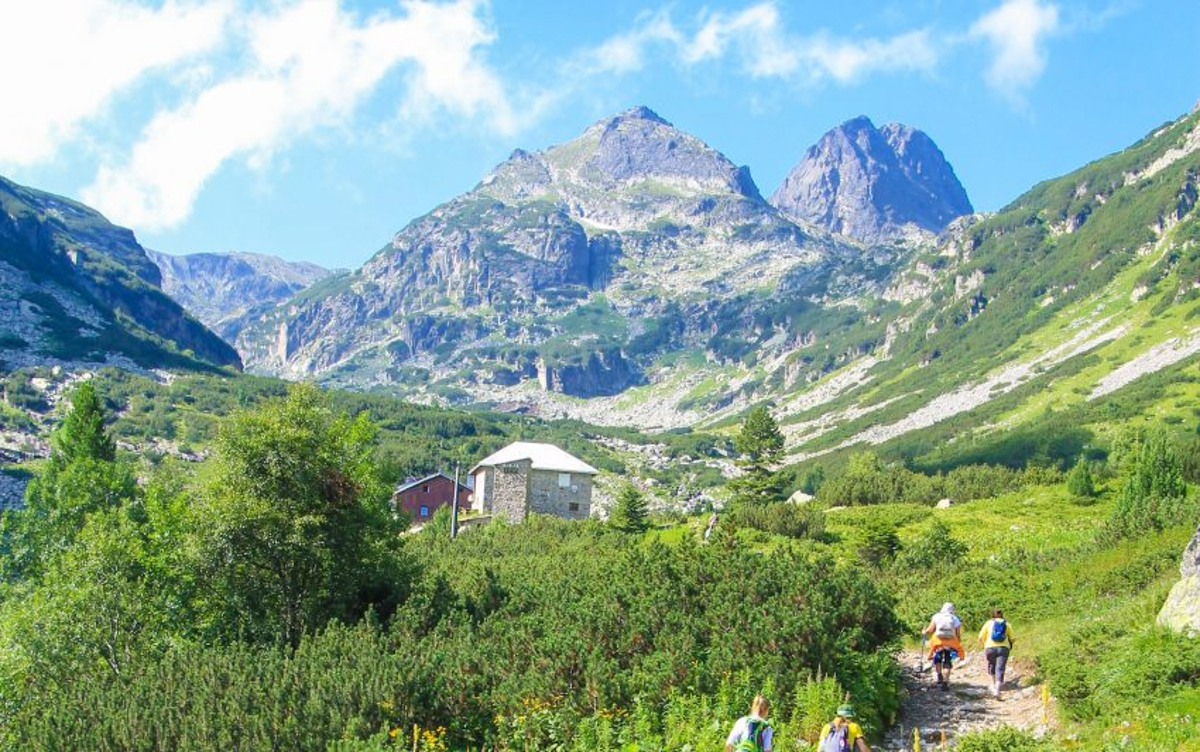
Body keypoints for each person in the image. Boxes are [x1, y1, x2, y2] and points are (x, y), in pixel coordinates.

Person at [923, 602, 964, 690]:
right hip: (951, 643)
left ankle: (939, 676)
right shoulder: (954, 618)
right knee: (947, 661)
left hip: (938, 642)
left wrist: (924, 632)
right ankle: (945, 682)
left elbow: (930, 630)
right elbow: (958, 633)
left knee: (938, 658)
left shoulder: (937, 616)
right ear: (952, 609)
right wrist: (958, 642)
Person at [978, 608, 1016, 698]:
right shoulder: (1007, 624)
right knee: (1000, 668)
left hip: (989, 648)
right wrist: (1009, 644)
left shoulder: (988, 623)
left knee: (992, 664)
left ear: (993, 614)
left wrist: (984, 645)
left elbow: (980, 637)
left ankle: (994, 685)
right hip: (1003, 648)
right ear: (1002, 614)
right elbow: (1013, 638)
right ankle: (997, 690)